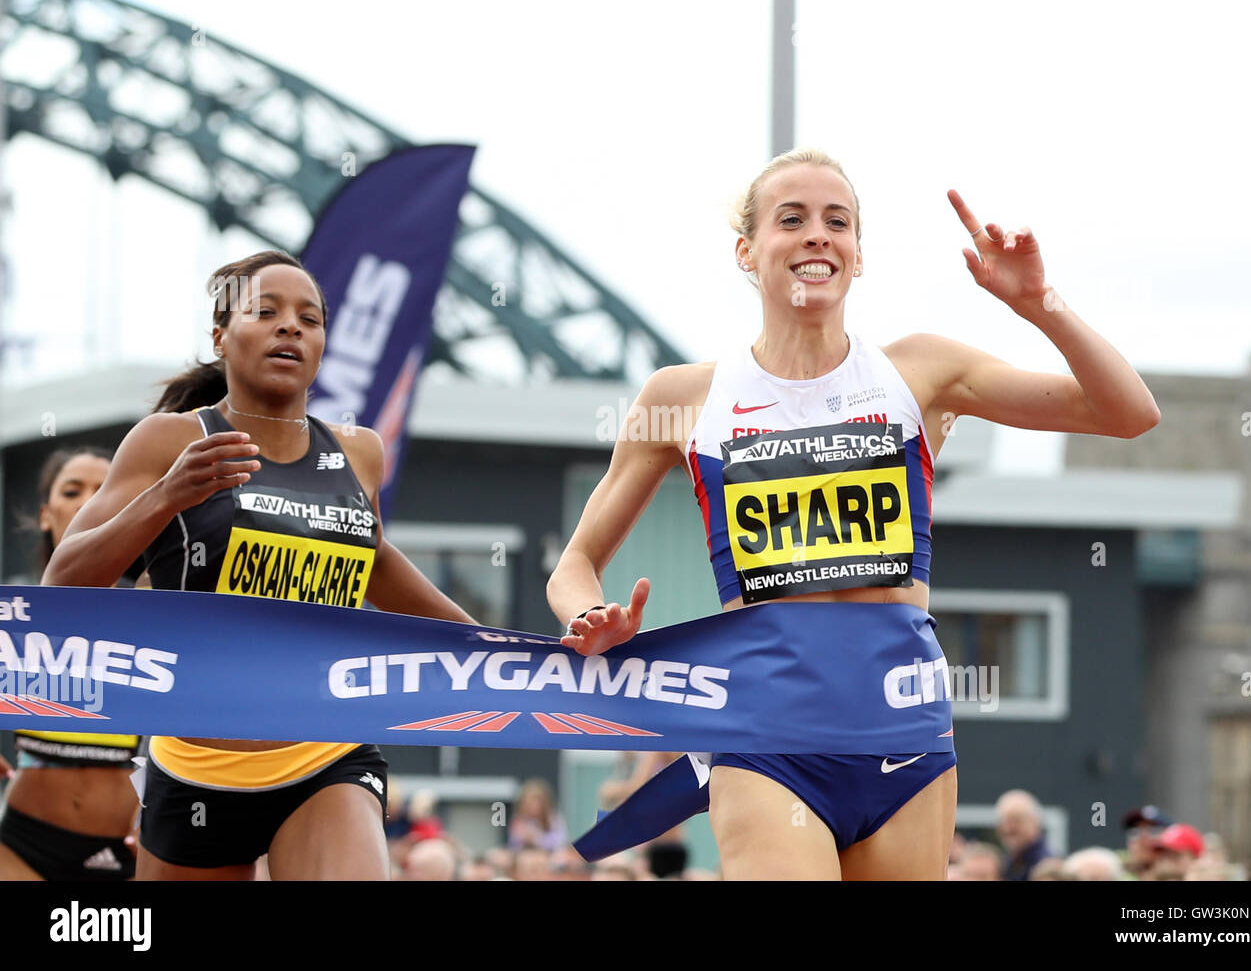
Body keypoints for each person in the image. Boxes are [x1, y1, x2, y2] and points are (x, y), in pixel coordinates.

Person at [547, 148, 1159, 880]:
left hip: (903, 733)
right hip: (764, 732)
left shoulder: (919, 372)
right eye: (792, 219)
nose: (817, 235)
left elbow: (1127, 413)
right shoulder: (682, 397)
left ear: (858, 255)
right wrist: (590, 618)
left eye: (837, 221)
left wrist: (1039, 304)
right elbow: (574, 565)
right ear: (747, 250)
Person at [43, 250, 476, 880]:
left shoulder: (360, 453)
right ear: (221, 335)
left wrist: (513, 651)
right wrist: (167, 496)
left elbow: (377, 563)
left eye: (310, 318)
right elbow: (66, 579)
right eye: (265, 311)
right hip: (194, 764)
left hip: (326, 754)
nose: (291, 327)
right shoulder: (168, 440)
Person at [0, 447, 141, 881]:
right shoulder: (15, 608)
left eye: (104, 490)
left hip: (134, 849)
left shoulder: (159, 603)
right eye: (72, 490)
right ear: (46, 514)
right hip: (23, 846)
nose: (87, 502)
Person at [997, 789, 1057, 881]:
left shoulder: (1049, 865)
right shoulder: (1006, 864)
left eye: (1016, 820)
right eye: (1005, 821)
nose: (1008, 828)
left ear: (1035, 822)